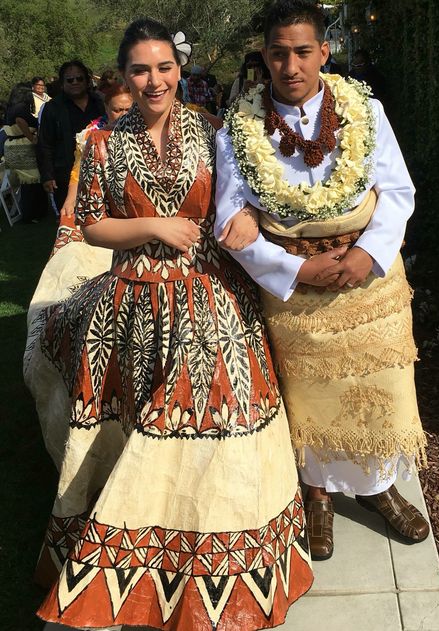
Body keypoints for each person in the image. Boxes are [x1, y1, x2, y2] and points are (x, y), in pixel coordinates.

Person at [25, 18, 313, 630]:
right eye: (139, 69)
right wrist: (154, 226)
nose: (153, 80)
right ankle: (138, 557)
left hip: (211, 285)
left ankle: (225, 556)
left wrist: (250, 225)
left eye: (164, 68)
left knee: (224, 401)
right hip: (136, 288)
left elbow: (243, 204)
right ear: (124, 76)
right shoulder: (100, 144)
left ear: (179, 70)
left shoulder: (215, 134)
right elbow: (94, 226)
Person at [215, 0, 429, 562]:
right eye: (279, 53)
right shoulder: (237, 128)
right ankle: (318, 496)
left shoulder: (365, 110)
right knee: (308, 395)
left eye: (303, 52)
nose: (291, 66)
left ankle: (379, 486)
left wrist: (368, 253)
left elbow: (398, 191)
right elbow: (228, 221)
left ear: (324, 52)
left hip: (369, 283)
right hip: (294, 290)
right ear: (265, 55)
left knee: (379, 384)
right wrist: (296, 268)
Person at [36, 59, 105, 213]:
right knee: (70, 217)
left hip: (101, 171)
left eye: (79, 78)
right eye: (70, 79)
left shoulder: (99, 102)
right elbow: (45, 143)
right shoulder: (52, 108)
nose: (75, 82)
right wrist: (47, 175)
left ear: (87, 81)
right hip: (65, 174)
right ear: (62, 83)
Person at [60, 82, 133, 217]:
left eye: (128, 110)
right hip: (102, 199)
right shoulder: (90, 135)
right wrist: (70, 200)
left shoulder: (145, 131)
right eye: (117, 110)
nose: (123, 115)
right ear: (106, 108)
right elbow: (78, 170)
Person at [3, 82, 48, 222]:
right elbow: (20, 121)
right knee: (32, 181)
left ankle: (32, 212)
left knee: (26, 182)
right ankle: (32, 214)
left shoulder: (9, 108)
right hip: (23, 147)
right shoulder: (21, 109)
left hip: (10, 147)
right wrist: (31, 138)